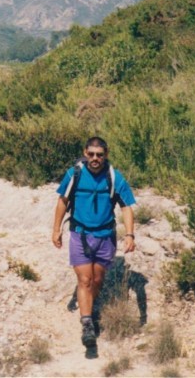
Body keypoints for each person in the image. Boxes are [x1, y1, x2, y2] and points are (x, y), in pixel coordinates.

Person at [51, 137, 136, 350]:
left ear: (106, 154)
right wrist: (56, 229)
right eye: (91, 154)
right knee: (85, 280)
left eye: (99, 154)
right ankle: (87, 323)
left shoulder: (115, 177)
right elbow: (63, 201)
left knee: (97, 280)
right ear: (85, 153)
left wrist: (130, 234)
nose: (95, 158)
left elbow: (126, 207)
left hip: (106, 236)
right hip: (80, 235)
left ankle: (88, 305)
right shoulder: (75, 174)